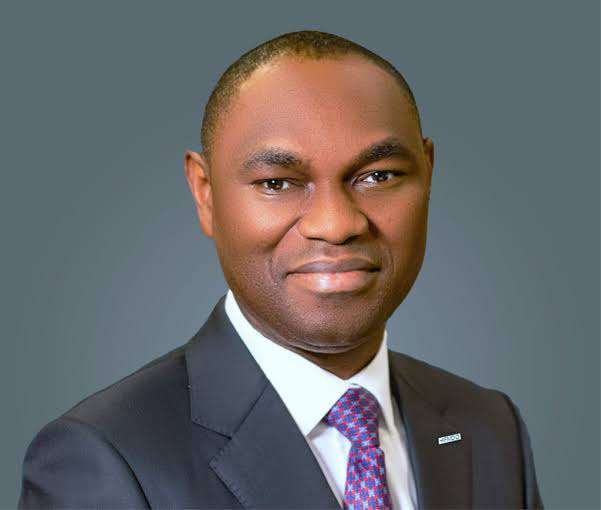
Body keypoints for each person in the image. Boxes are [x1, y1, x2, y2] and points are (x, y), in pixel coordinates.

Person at [18, 30, 544, 509]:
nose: (336, 224)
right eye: (277, 183)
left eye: (378, 175)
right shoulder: (102, 458)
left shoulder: (489, 426)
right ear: (205, 194)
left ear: (427, 174)